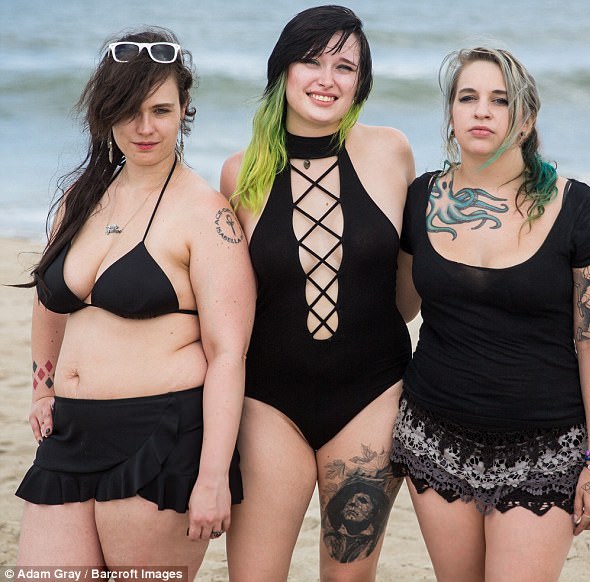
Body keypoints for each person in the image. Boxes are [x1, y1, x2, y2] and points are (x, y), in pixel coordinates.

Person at [14, 27, 255, 579]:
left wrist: (213, 474)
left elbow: (227, 354)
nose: (144, 128)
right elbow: (50, 304)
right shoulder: (80, 199)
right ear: (105, 113)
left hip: (158, 436)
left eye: (161, 110)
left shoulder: (206, 213)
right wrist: (43, 388)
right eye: (128, 110)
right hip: (69, 435)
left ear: (184, 110)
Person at [392, 46, 590, 581]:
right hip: (433, 435)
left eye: (500, 100)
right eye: (467, 97)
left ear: (526, 118)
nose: (482, 111)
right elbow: (399, 308)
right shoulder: (419, 199)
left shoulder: (576, 206)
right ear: (451, 113)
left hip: (544, 448)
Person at [220, 5, 415, 580]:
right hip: (269, 401)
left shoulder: (392, 152)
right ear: (283, 70)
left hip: (371, 395)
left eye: (345, 66)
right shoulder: (240, 173)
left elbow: (407, 295)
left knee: (349, 575)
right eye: (310, 61)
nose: (326, 79)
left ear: (362, 82)